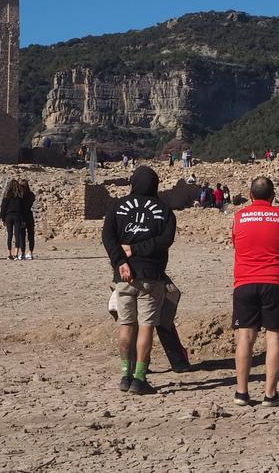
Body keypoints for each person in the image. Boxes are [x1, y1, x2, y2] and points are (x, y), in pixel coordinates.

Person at [103, 166, 177, 395]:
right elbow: (165, 240)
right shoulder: (164, 210)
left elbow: (108, 237)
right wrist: (137, 250)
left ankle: (125, 374)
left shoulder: (117, 207)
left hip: (125, 277)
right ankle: (140, 377)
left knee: (125, 325)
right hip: (152, 276)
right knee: (146, 327)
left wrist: (121, 261)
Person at [230, 176, 279, 407]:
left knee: (245, 337)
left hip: (245, 281)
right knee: (275, 337)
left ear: (250, 196)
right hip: (275, 281)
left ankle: (241, 392)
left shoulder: (239, 216)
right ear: (273, 196)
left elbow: (236, 242)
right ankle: (270, 394)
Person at [0, 180, 26, 260]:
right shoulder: (20, 196)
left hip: (8, 216)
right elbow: (22, 209)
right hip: (17, 216)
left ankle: (9, 254)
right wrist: (23, 219)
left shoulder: (6, 196)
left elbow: (3, 208)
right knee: (17, 235)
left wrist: (3, 218)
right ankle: (16, 254)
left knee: (9, 235)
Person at [20, 180, 37, 260]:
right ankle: (30, 252)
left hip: (22, 216)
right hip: (29, 215)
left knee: (22, 235)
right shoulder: (31, 194)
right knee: (31, 235)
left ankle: (22, 253)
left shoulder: (20, 195)